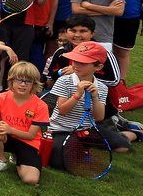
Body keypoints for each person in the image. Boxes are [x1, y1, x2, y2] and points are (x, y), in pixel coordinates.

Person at [47, 42, 134, 172]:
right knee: (59, 162)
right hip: (61, 129)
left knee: (123, 146)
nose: (76, 65)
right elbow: (62, 110)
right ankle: (80, 147)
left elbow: (99, 117)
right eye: (75, 61)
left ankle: (131, 134)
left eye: (83, 63)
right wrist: (77, 95)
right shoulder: (64, 81)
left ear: (98, 67)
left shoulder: (102, 87)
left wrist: (95, 97)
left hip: (87, 129)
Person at [0, 61, 49, 185]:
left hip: (28, 143)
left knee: (30, 179)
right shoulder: (0, 97)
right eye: (19, 80)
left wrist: (10, 129)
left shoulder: (41, 106)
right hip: (6, 137)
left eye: (28, 81)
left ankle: (19, 158)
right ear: (11, 81)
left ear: (34, 84)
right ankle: (1, 160)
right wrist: (2, 126)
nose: (23, 84)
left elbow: (31, 135)